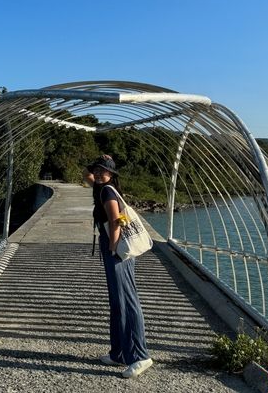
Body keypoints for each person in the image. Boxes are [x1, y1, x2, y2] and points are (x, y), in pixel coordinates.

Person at [83, 154, 153, 379]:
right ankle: (119, 352)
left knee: (127, 301)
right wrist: (99, 162)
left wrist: (113, 247)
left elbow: (115, 221)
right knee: (117, 302)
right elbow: (87, 175)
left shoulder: (107, 191)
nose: (100, 173)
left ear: (112, 174)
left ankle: (140, 356)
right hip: (115, 250)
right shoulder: (101, 187)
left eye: (105, 170)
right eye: (98, 169)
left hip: (116, 251)